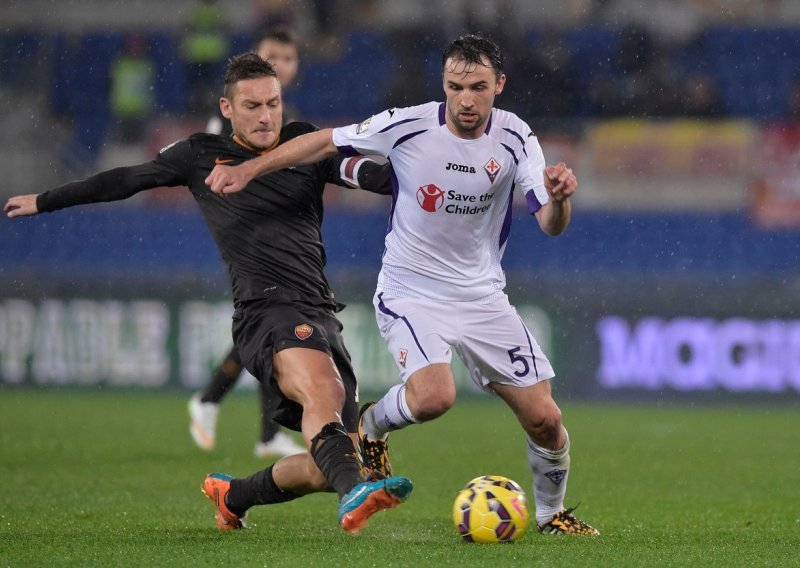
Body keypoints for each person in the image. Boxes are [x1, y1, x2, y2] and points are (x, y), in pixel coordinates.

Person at [203, 34, 599, 536]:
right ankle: (370, 425)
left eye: (478, 87)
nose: (467, 99)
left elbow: (550, 223)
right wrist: (252, 168)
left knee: (545, 418)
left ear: (499, 84)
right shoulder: (407, 125)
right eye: (456, 87)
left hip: (481, 296)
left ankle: (551, 515)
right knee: (435, 396)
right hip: (411, 290)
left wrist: (561, 199)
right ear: (444, 84)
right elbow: (325, 141)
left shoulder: (517, 138)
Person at [5, 52, 411, 535]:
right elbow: (126, 180)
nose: (265, 115)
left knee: (330, 461)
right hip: (265, 311)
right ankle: (354, 497)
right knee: (324, 393)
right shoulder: (200, 155)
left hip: (321, 312)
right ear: (228, 107)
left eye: (273, 103)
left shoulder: (302, 143)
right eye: (253, 105)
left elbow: (367, 174)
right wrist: (47, 200)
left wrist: (426, 169)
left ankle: (234, 494)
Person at [193, 28, 305, 459]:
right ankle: (215, 402)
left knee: (271, 326)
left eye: (288, 58)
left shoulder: (278, 113)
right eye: (272, 55)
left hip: (274, 232)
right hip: (246, 233)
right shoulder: (233, 115)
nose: (281, 64)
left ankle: (259, 430)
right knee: (271, 323)